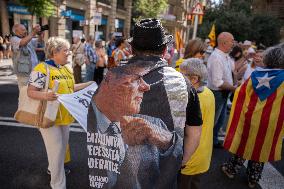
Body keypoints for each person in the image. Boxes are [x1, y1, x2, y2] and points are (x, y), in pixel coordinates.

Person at [128, 18, 203, 188]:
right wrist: (180, 161)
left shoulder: (110, 80)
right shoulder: (184, 83)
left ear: (132, 49)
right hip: (165, 170)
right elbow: (195, 132)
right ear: (164, 50)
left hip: (122, 169)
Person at [27, 37, 94, 189]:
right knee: (57, 152)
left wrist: (90, 84)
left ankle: (53, 169)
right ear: (54, 52)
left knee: (61, 150)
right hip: (49, 118)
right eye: (65, 50)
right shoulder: (41, 69)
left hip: (65, 117)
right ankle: (58, 185)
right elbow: (31, 92)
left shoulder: (65, 68)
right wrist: (46, 95)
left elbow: (71, 88)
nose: (69, 53)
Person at [221, 43, 284, 188]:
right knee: (261, 149)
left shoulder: (256, 75)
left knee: (243, 144)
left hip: (250, 118)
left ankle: (231, 169)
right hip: (272, 123)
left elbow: (240, 94)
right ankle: (253, 178)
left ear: (267, 59)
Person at [179, 58, 215, 189]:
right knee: (195, 184)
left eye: (181, 74)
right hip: (204, 154)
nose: (178, 77)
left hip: (189, 156)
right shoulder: (209, 93)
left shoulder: (191, 99)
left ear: (194, 79)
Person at [207, 32, 236, 148]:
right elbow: (217, 82)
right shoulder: (217, 58)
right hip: (217, 94)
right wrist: (234, 88)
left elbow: (232, 71)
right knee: (213, 121)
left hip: (222, 93)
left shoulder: (224, 55)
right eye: (232, 41)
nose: (233, 43)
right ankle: (207, 144)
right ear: (224, 42)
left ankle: (213, 142)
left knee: (220, 120)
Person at [11, 24, 41, 89]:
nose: (25, 31)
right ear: (16, 31)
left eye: (25, 29)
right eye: (22, 30)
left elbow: (39, 40)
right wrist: (33, 32)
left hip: (34, 70)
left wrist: (40, 33)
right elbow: (23, 42)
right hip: (24, 72)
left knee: (35, 91)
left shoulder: (28, 38)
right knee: (24, 92)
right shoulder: (14, 39)